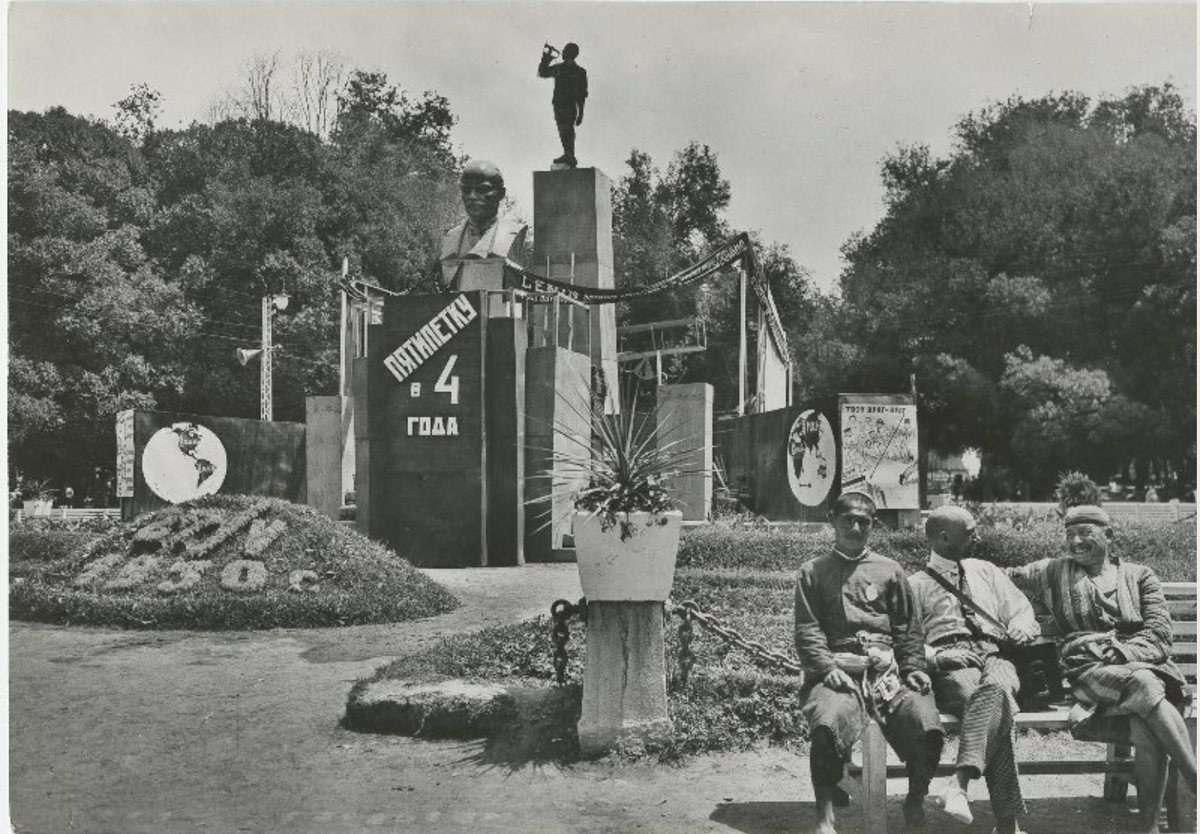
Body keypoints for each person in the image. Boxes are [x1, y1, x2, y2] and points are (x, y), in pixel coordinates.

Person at [1008, 505, 1196, 834]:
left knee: (1144, 720)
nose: (1075, 541)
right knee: (1144, 683)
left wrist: (1124, 650)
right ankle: (1195, 779)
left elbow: (1161, 635)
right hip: (1087, 671)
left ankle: (1148, 828)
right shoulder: (1051, 571)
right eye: (1069, 534)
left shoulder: (1140, 576)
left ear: (1108, 535)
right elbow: (1000, 577)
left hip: (1143, 664)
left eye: (1085, 533)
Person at [795, 491, 943, 833]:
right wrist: (828, 670)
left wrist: (914, 668)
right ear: (832, 520)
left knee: (927, 724)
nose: (856, 527)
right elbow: (807, 630)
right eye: (848, 520)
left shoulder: (889, 570)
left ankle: (915, 800)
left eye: (864, 521)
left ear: (873, 526)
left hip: (887, 672)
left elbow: (908, 627)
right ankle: (824, 814)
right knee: (827, 722)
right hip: (837, 671)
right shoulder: (812, 572)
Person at [909, 506, 1038, 833]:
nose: (977, 536)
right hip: (954, 659)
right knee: (997, 705)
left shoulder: (985, 570)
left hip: (996, 654)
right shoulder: (915, 585)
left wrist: (1022, 627)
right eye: (970, 532)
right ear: (943, 538)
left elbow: (1021, 609)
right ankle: (1007, 825)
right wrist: (937, 658)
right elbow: (903, 640)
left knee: (996, 694)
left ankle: (959, 783)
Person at [439, 160, 528, 288]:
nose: (472, 196)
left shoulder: (512, 233)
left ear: (501, 194)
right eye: (466, 190)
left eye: (482, 190)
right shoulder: (451, 237)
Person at [537, 42, 587, 167]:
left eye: (564, 51)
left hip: (569, 105)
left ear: (570, 53)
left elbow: (582, 95)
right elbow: (542, 73)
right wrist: (546, 58)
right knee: (562, 129)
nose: (562, 53)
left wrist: (581, 113)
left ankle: (570, 154)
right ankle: (568, 153)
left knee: (567, 130)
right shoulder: (559, 68)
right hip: (558, 104)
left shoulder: (580, 72)